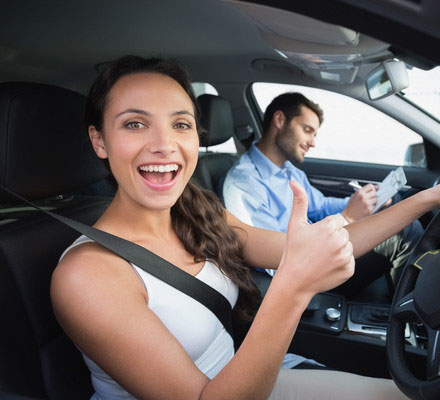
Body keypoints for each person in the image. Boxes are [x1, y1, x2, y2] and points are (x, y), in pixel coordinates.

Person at [49, 55, 432, 399]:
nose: (164, 144)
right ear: (99, 140)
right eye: (135, 124)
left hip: (248, 376)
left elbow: (326, 245)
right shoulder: (87, 275)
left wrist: (427, 200)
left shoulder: (198, 212)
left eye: (180, 124)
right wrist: (294, 288)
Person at [222, 92, 422, 291]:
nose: (313, 142)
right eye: (307, 130)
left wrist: (361, 203)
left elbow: (320, 206)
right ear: (280, 120)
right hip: (308, 271)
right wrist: (347, 217)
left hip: (318, 248)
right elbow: (277, 259)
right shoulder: (244, 183)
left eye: (314, 134)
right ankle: (407, 309)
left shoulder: (289, 170)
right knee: (404, 232)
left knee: (395, 205)